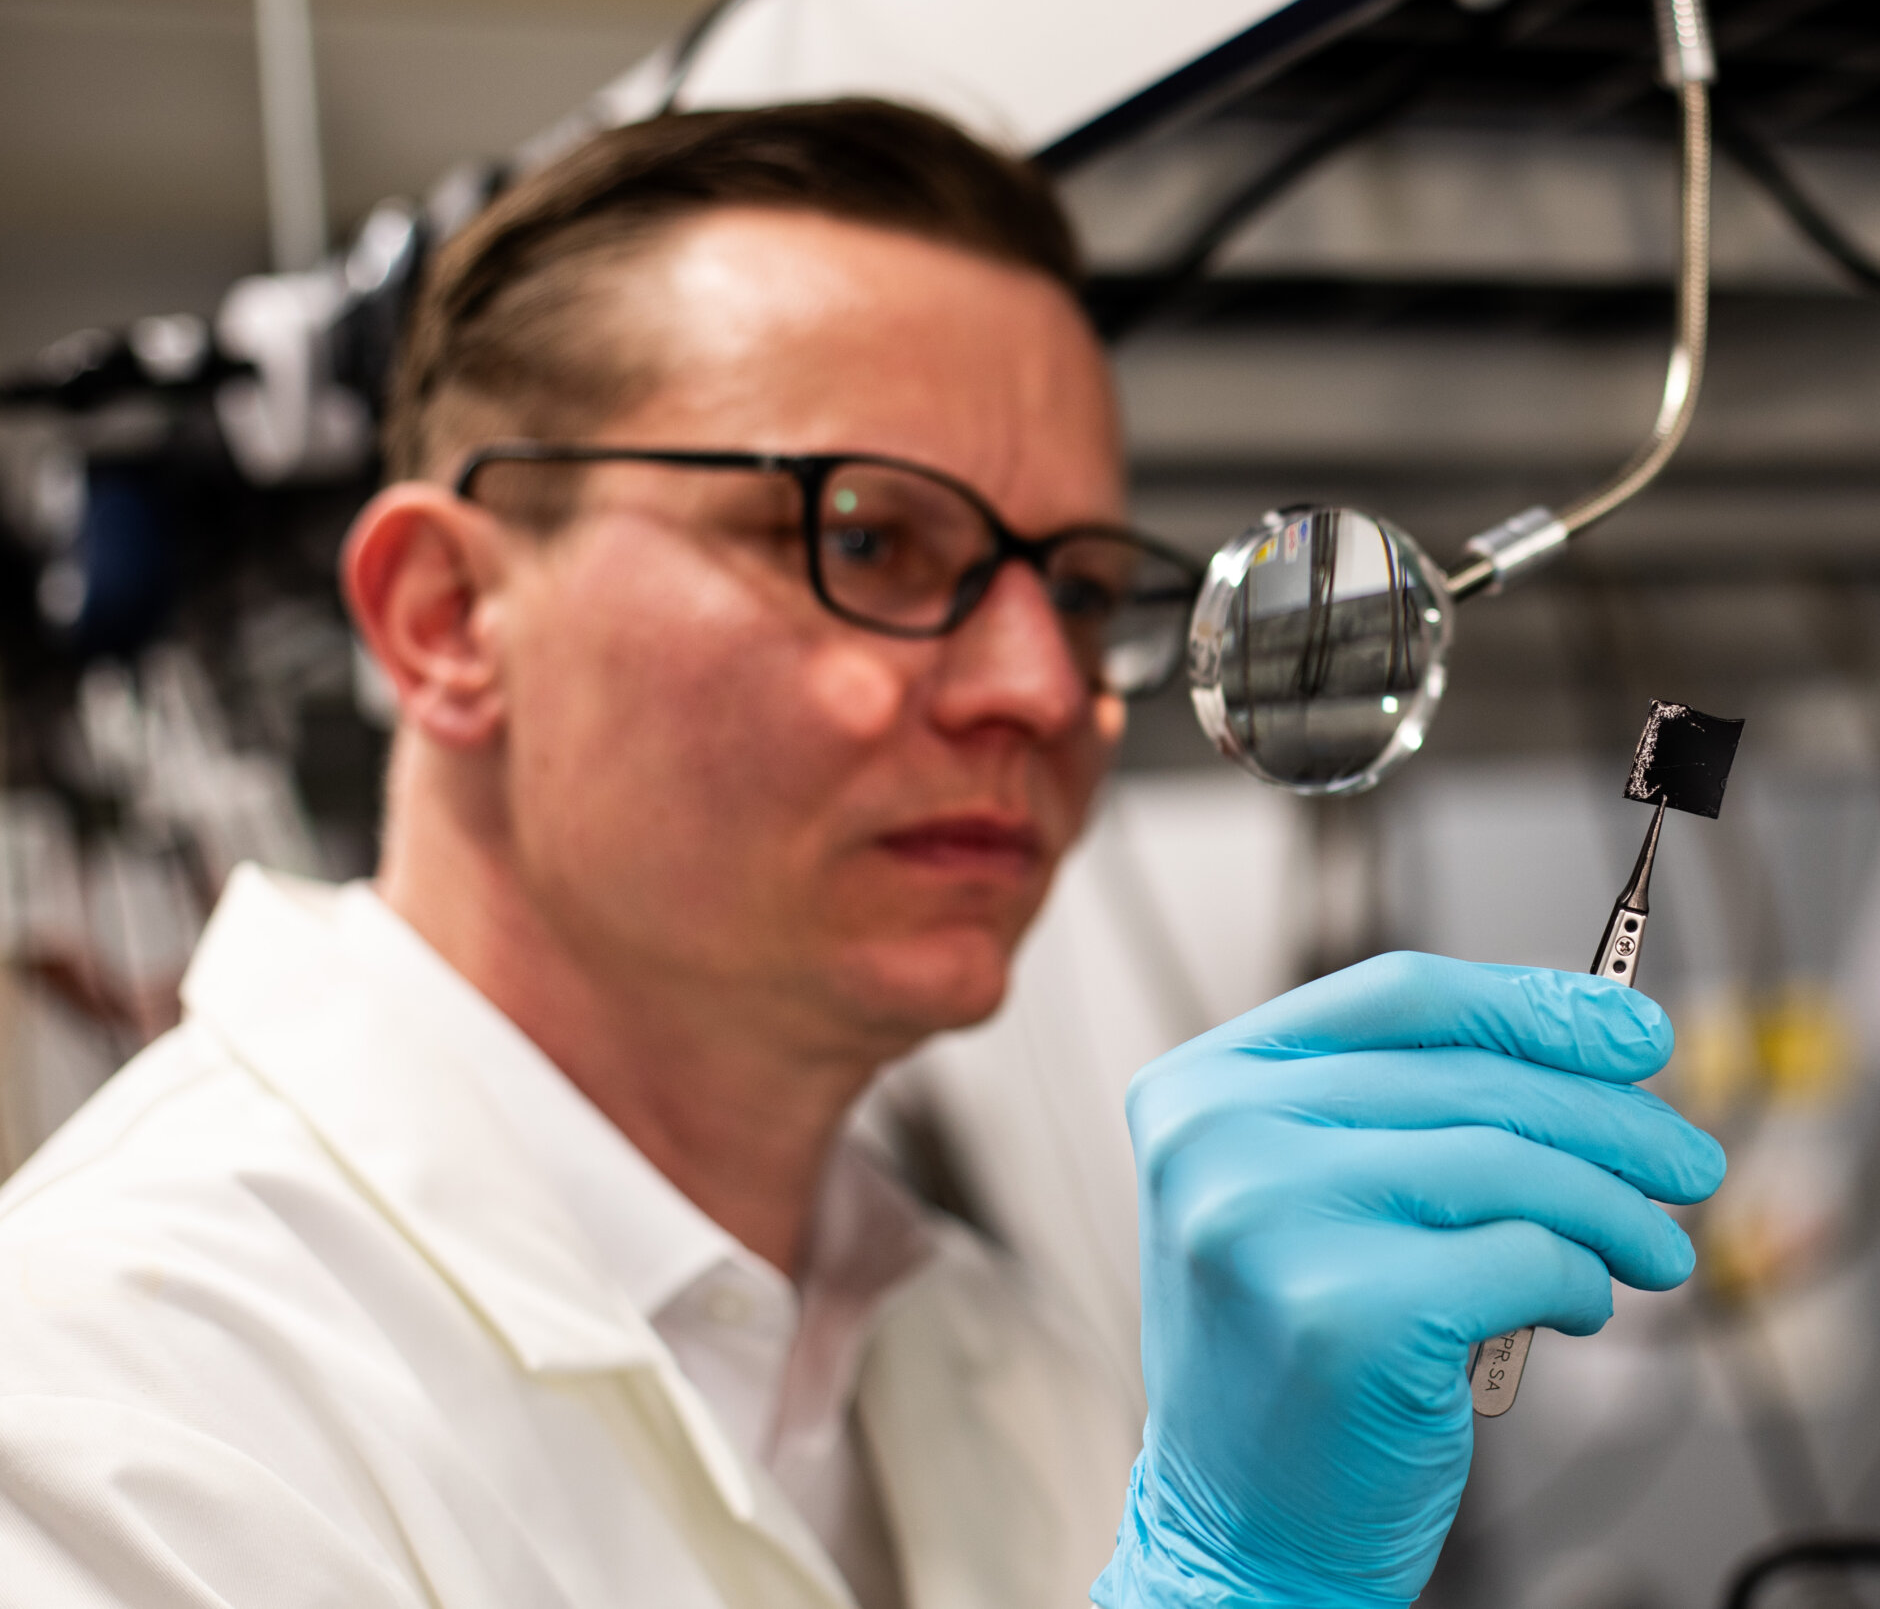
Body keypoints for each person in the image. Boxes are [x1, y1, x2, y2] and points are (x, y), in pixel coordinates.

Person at [0, 99, 1723, 1609]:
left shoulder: (997, 1360)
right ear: (449, 619)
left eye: (1071, 585)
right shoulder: (103, 1405)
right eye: (870, 536)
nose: (1045, 688)